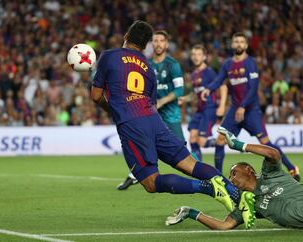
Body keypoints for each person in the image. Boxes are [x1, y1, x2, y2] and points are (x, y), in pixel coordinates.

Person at [91, 20, 255, 228]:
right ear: (145, 46)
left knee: (151, 182)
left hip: (132, 124)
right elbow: (150, 102)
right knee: (191, 164)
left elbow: (96, 96)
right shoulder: (148, 69)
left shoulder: (109, 56)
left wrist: (114, 110)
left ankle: (209, 188)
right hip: (154, 120)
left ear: (126, 37)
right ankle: (237, 196)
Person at [166, 126, 303, 230]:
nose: (231, 179)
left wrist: (238, 145)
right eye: (230, 176)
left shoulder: (270, 174)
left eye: (234, 173)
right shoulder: (248, 205)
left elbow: (274, 154)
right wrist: (192, 213)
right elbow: (224, 225)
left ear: (249, 170)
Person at [201, 32, 300, 181]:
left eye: (242, 42)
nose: (239, 44)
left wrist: (243, 106)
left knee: (265, 142)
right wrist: (208, 88)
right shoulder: (228, 64)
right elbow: (218, 80)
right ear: (232, 45)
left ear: (246, 45)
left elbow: (253, 88)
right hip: (235, 110)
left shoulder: (250, 63)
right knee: (220, 140)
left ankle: (292, 168)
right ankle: (218, 178)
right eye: (236, 42)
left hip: (251, 110)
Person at [117, 30, 185, 190]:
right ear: (150, 44)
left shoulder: (172, 64)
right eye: (155, 40)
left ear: (167, 44)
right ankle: (133, 175)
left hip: (170, 115)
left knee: (181, 149)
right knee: (142, 145)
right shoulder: (145, 63)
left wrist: (161, 101)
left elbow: (179, 90)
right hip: (149, 114)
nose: (158, 43)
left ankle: (205, 174)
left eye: (162, 40)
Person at [181, 44, 227, 161]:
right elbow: (195, 94)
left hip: (209, 109)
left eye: (199, 54)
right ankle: (199, 168)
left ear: (204, 57)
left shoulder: (209, 72)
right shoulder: (193, 74)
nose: (196, 57)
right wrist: (184, 99)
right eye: (194, 54)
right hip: (199, 111)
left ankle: (221, 141)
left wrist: (222, 106)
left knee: (201, 142)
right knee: (192, 139)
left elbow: (223, 87)